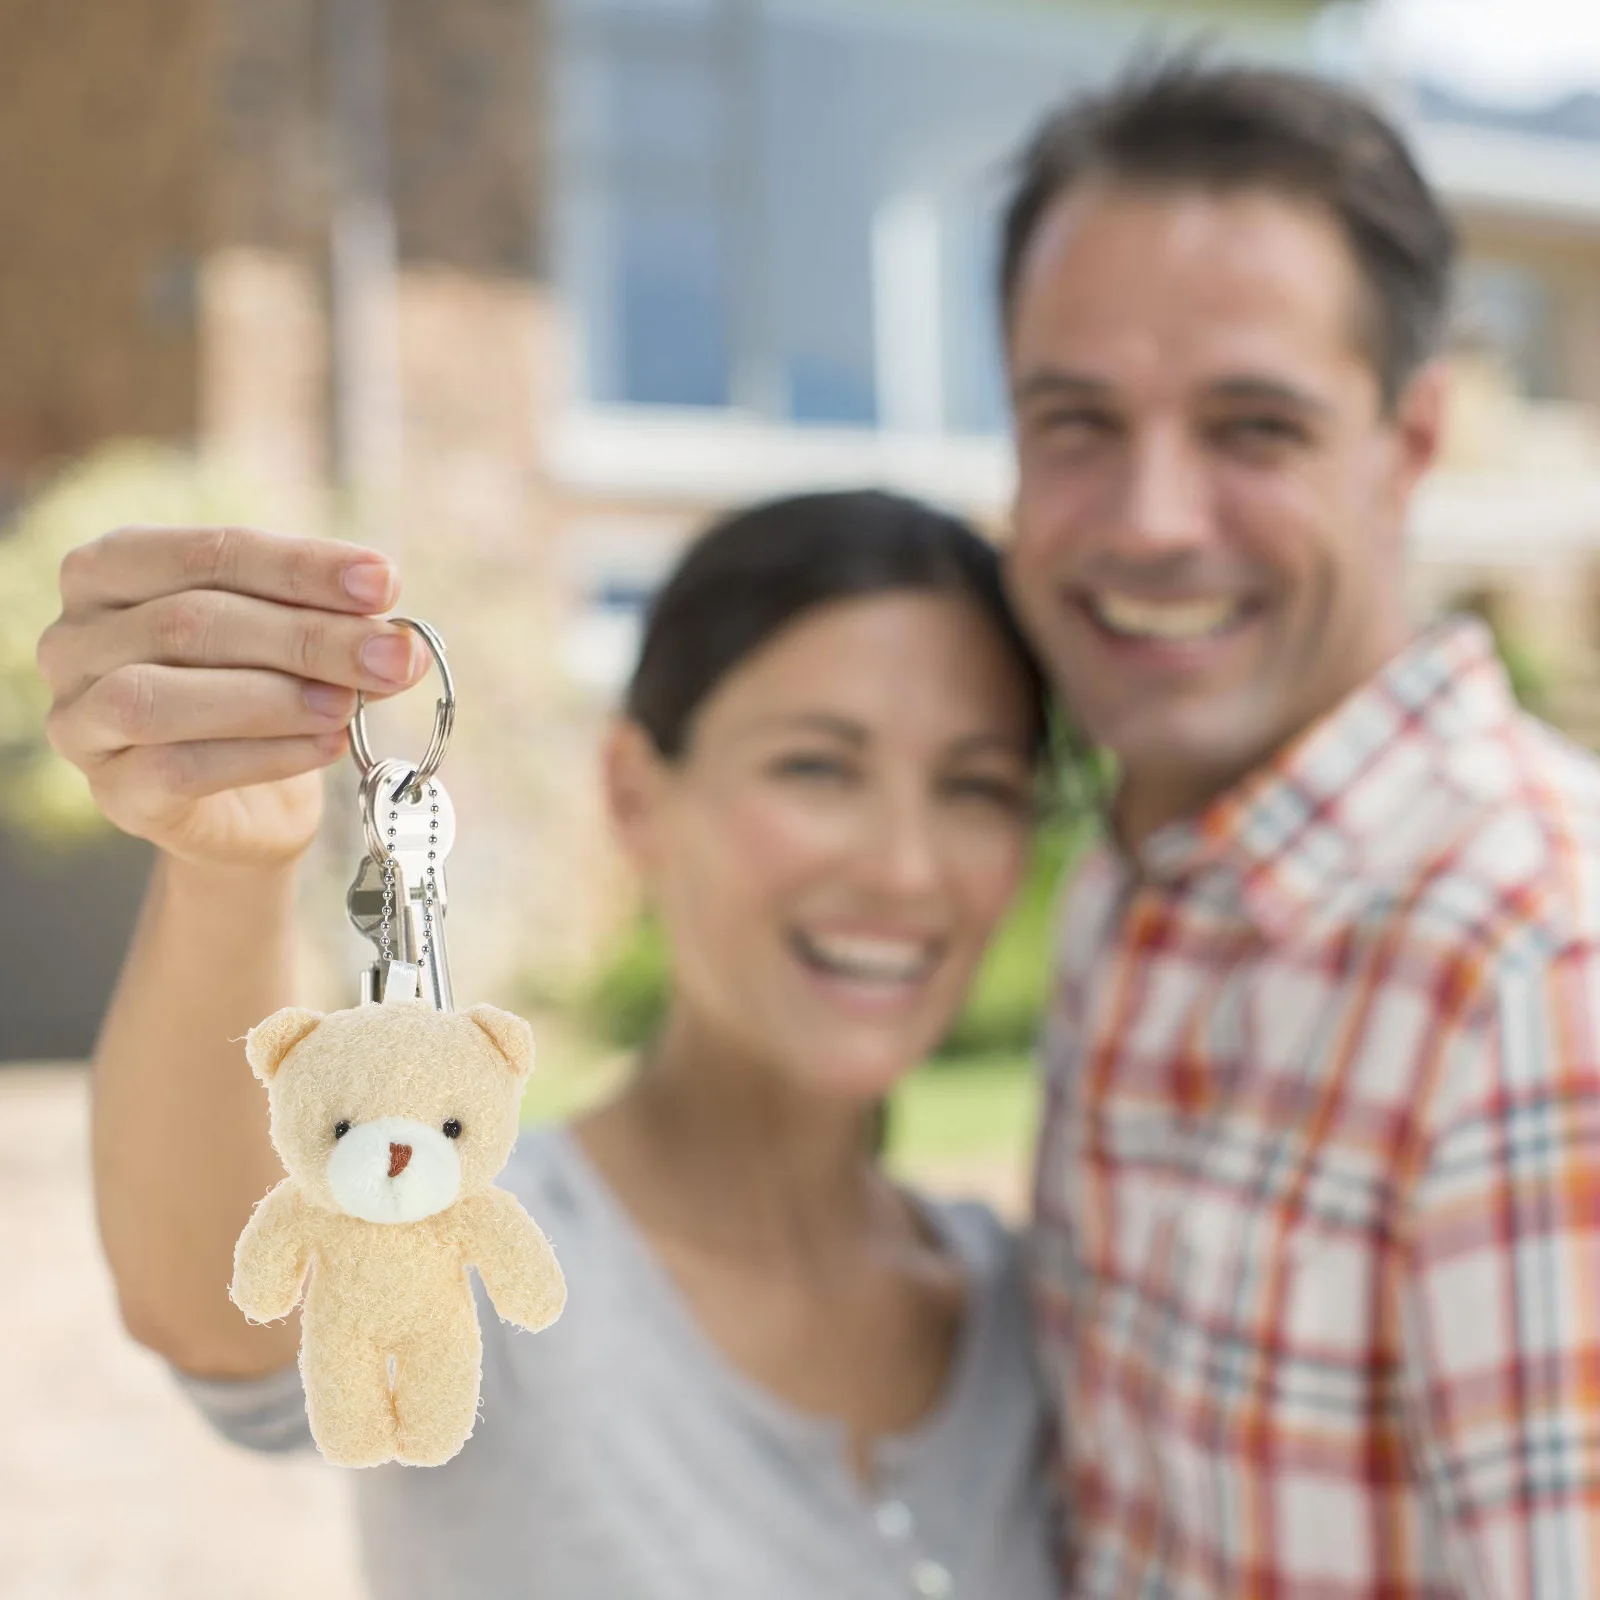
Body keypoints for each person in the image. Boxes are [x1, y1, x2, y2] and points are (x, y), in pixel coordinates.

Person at [39, 490, 1060, 1598]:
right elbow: (212, 1310)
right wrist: (230, 871)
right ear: (634, 792)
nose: (905, 867)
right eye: (817, 766)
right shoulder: (462, 1229)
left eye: (976, 784)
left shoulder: (1040, 1316)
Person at [1001, 61, 1600, 1597]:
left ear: (1410, 443)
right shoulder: (1141, 881)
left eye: (1253, 427)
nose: (1149, 518)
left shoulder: (1537, 975)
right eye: (1076, 420)